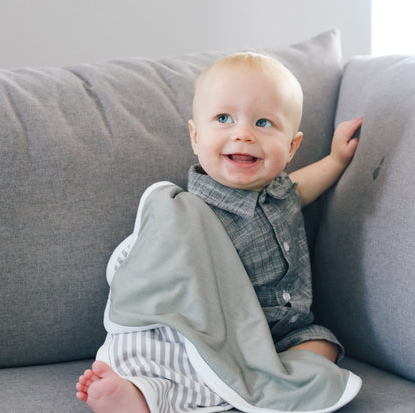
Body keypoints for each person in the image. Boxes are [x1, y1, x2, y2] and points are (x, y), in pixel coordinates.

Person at [76, 52, 362, 413]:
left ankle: (276, 381)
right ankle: (140, 393)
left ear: (291, 147)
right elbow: (164, 265)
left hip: (287, 332)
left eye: (263, 122)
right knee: (180, 358)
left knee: (325, 345)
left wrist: (336, 160)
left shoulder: (281, 192)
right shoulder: (191, 215)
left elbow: (300, 188)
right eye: (224, 118)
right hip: (225, 336)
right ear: (196, 137)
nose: (243, 134)